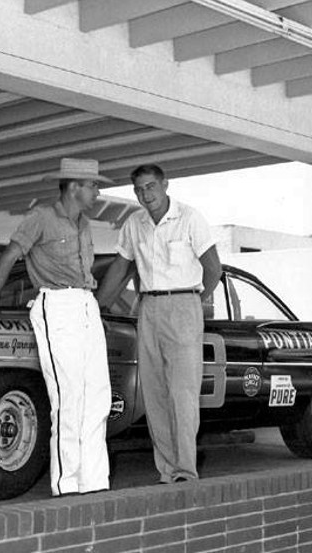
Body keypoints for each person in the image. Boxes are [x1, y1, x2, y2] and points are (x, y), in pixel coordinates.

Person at [0, 158, 114, 497]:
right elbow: (7, 259)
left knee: (98, 398)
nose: (97, 191)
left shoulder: (85, 224)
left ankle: (94, 483)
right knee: (69, 396)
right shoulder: (40, 218)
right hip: (57, 306)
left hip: (86, 305)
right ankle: (68, 486)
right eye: (92, 185)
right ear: (73, 186)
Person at [97, 163, 221, 484]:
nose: (145, 195)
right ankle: (167, 470)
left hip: (183, 305)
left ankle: (185, 470)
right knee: (154, 393)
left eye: (150, 187)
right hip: (148, 307)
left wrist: (194, 302)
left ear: (165, 185)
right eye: (138, 190)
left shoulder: (190, 218)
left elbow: (213, 269)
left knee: (182, 393)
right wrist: (96, 306)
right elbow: (119, 269)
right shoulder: (134, 224)